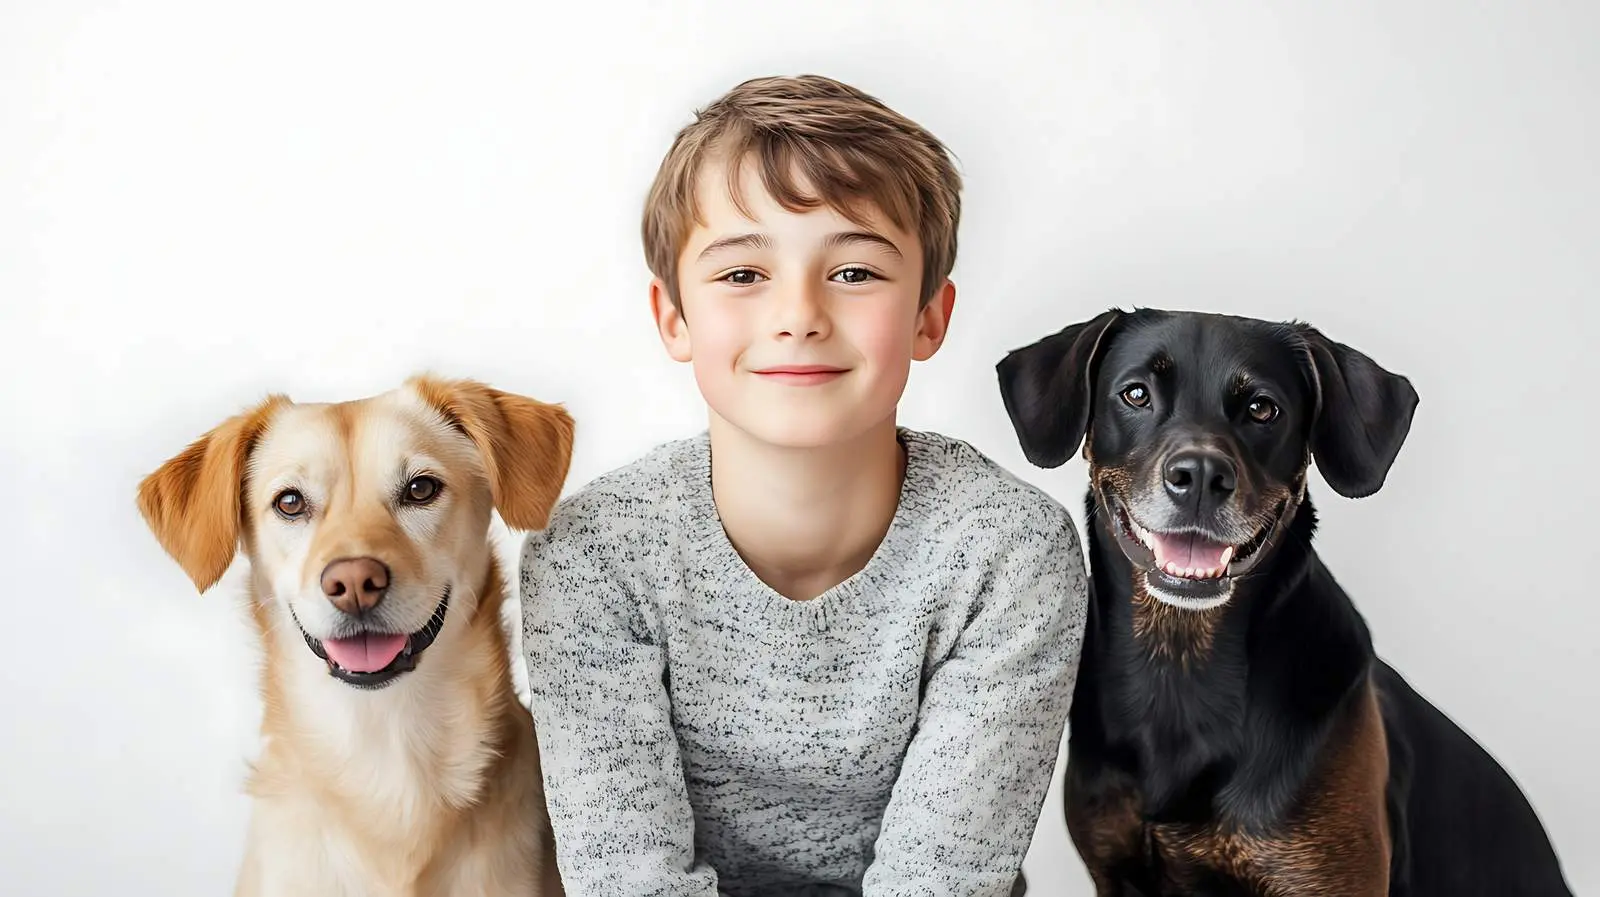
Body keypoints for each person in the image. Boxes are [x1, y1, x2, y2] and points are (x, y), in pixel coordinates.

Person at [520, 73, 1089, 896]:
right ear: (673, 316)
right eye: (742, 275)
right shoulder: (593, 554)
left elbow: (942, 879)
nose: (800, 314)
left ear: (930, 315)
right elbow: (629, 878)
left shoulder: (1007, 552)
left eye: (855, 272)